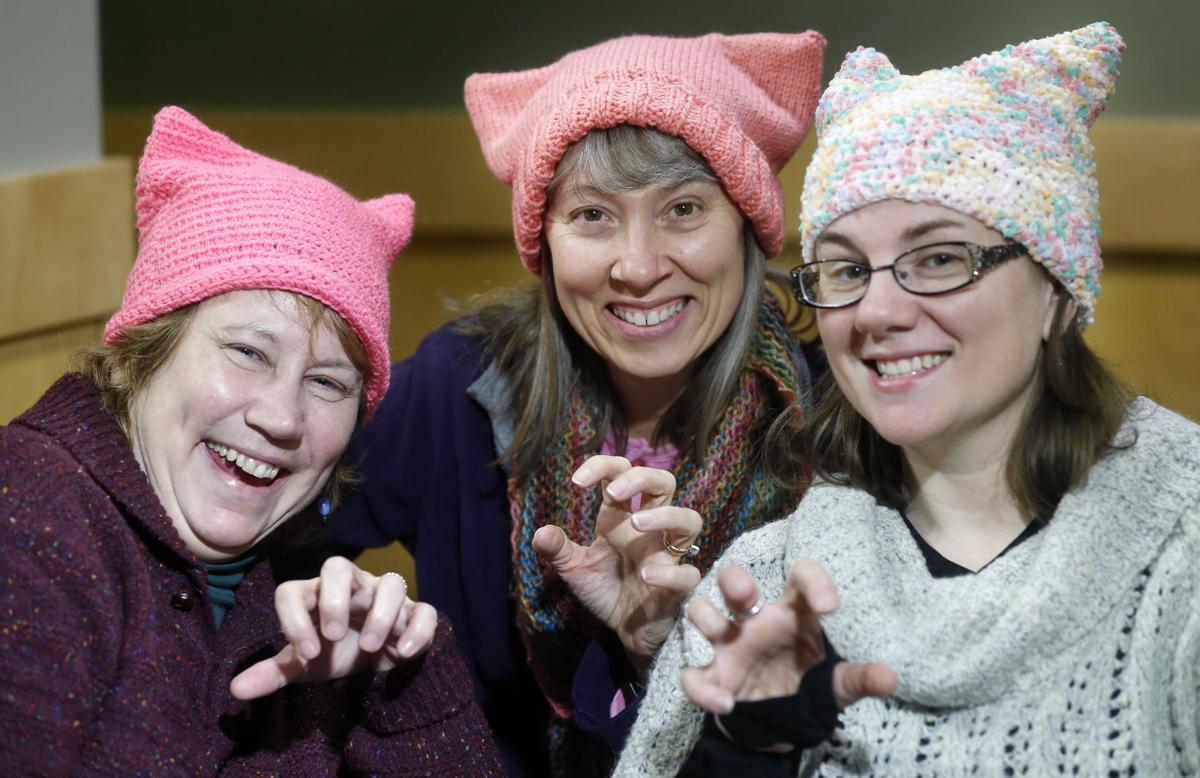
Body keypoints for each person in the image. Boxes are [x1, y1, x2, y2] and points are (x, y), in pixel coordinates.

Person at [616, 22, 1200, 776]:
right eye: (846, 271)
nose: (878, 312)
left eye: (939, 258)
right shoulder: (771, 587)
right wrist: (752, 744)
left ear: (1056, 293)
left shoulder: (1180, 557)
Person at [327, 31, 827, 776]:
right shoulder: (458, 387)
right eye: (593, 215)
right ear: (546, 241)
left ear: (748, 226)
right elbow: (277, 540)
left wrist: (660, 649)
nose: (638, 266)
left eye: (684, 209)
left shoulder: (836, 424)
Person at [0, 106, 502, 775]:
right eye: (247, 352)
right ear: (138, 354)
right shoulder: (29, 515)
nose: (283, 418)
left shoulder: (292, 588)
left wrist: (402, 677)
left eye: (327, 383)